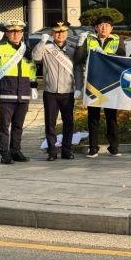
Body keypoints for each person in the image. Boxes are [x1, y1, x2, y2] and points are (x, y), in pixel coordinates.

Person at [0, 20, 38, 164]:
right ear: (7, 33)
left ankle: (15, 151)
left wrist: (33, 86)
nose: (15, 34)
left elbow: (32, 68)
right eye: (12, 32)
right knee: (4, 125)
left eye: (18, 31)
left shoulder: (26, 49)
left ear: (22, 33)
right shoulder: (1, 47)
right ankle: (4, 153)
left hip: (23, 92)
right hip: (7, 92)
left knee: (18, 125)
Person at [75, 15, 126, 158]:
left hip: (111, 84)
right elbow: (78, 60)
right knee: (93, 117)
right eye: (101, 25)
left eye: (107, 25)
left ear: (112, 28)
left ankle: (114, 147)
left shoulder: (117, 40)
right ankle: (93, 148)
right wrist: (80, 44)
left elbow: (121, 56)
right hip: (94, 83)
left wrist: (105, 55)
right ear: (96, 28)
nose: (104, 28)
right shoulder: (89, 40)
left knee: (111, 117)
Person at [32, 20, 83, 161]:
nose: (60, 34)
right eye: (57, 32)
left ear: (67, 33)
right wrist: (42, 42)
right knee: (50, 123)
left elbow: (78, 69)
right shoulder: (46, 48)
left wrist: (79, 87)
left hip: (68, 92)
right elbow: (35, 57)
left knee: (68, 123)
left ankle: (67, 150)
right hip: (51, 92)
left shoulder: (72, 49)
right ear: (52, 33)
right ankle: (52, 151)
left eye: (63, 32)